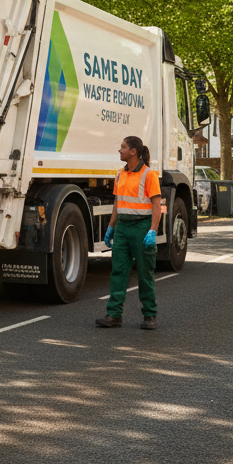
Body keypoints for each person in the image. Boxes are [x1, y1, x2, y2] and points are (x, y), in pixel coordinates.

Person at [96, 135, 162, 330]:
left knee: (145, 273)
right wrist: (111, 227)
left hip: (142, 227)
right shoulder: (119, 174)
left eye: (123, 147)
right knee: (118, 271)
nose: (120, 150)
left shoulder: (149, 175)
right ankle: (114, 314)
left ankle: (150, 315)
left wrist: (152, 231)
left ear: (134, 152)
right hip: (123, 228)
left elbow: (156, 205)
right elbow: (118, 203)